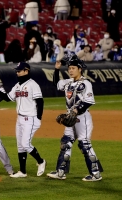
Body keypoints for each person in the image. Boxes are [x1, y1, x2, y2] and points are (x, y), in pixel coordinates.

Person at [47, 54, 103, 182]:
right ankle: (60, 172)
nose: (70, 70)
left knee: (84, 145)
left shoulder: (86, 83)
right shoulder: (68, 83)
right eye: (69, 68)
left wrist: (76, 110)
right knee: (65, 143)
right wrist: (56, 69)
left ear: (79, 69)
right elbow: (57, 83)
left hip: (83, 119)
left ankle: (96, 174)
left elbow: (89, 101)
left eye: (73, 68)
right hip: (70, 119)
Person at [0, 62, 46, 178]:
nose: (17, 72)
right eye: (16, 71)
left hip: (30, 118)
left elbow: (40, 102)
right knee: (20, 146)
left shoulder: (33, 85)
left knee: (26, 144)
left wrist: (38, 118)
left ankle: (41, 161)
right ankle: (22, 171)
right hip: (20, 119)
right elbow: (8, 98)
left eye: (19, 70)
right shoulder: (17, 85)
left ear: (26, 71)